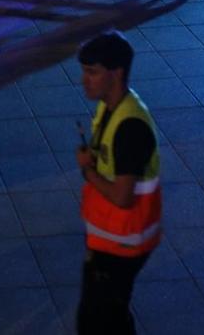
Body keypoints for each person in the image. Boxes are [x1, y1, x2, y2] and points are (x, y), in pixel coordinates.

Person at [73, 31, 161, 335]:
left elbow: (123, 196)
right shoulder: (111, 106)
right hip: (111, 236)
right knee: (107, 317)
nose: (85, 80)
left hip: (123, 241)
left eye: (92, 72)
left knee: (100, 322)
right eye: (84, 72)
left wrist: (88, 172)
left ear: (117, 73)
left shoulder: (130, 126)